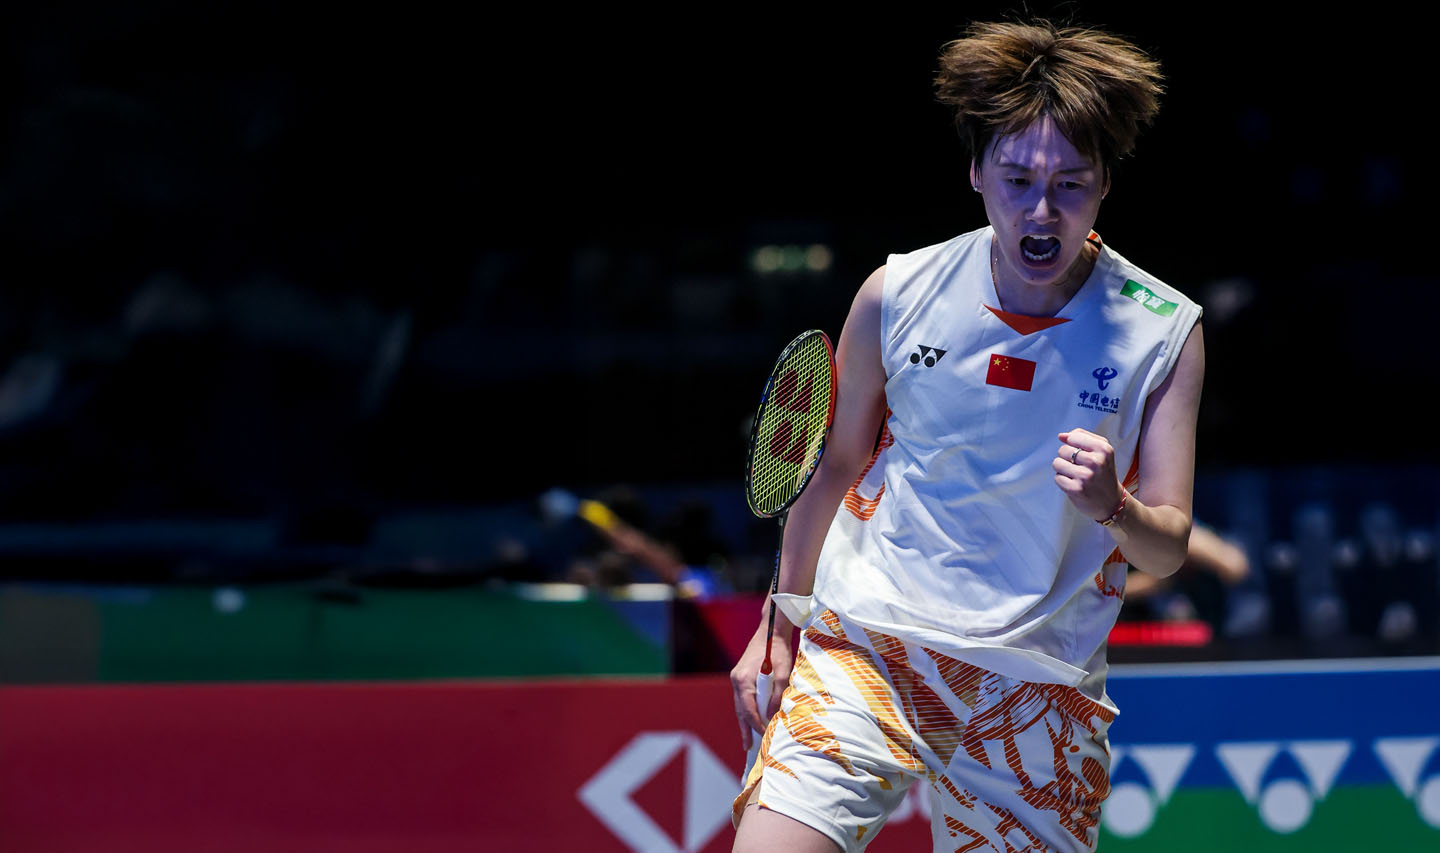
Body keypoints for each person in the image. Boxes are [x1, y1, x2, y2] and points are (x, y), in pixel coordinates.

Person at [729, 19, 1203, 853]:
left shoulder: (1160, 330)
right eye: (1018, 179)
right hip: (871, 645)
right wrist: (779, 621)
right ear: (978, 173)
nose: (1041, 210)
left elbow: (1165, 548)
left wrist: (1114, 506)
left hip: (1039, 685)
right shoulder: (897, 292)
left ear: (1103, 188)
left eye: (1071, 184)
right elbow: (835, 460)